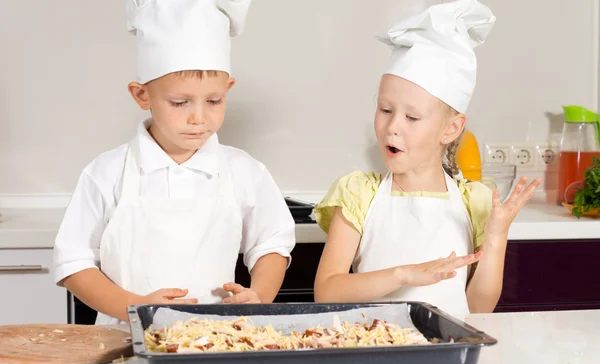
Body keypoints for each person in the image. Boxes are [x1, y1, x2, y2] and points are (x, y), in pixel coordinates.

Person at [53, 0, 295, 325]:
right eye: (180, 102)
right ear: (142, 96)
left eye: (214, 101)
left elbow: (272, 243)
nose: (199, 117)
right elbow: (73, 262)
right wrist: (135, 307)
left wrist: (260, 295)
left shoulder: (245, 171)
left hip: (216, 342)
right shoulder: (106, 173)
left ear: (228, 89)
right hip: (120, 345)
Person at [313, 0, 540, 319]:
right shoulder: (358, 195)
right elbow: (326, 290)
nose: (393, 127)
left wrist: (496, 236)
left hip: (446, 355)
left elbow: (478, 307)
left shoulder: (474, 202)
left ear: (451, 128)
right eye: (385, 110)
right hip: (372, 349)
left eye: (412, 117)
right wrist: (403, 275)